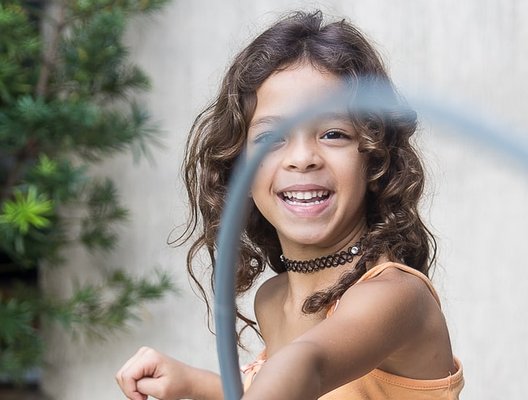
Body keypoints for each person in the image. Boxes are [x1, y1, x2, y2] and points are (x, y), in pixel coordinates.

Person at [115, 10, 463, 400]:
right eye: (271, 137)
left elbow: (306, 366)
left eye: (333, 133)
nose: (302, 158)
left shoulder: (395, 297)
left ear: (374, 160)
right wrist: (195, 384)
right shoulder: (274, 298)